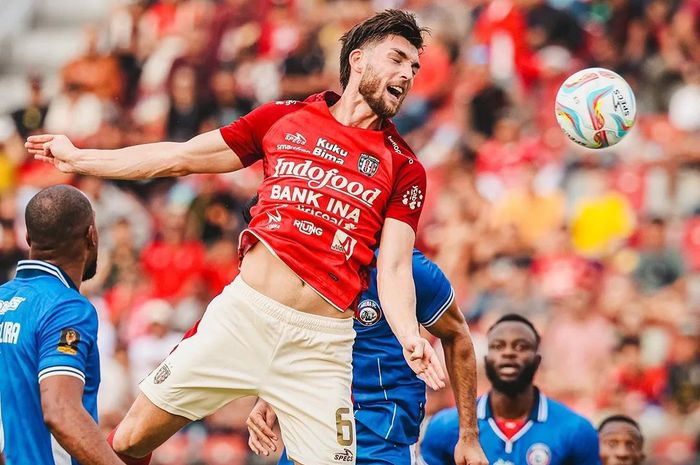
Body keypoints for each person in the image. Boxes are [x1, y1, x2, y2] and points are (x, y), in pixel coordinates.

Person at [26, 10, 444, 465]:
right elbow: (179, 157)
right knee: (128, 440)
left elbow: (396, 266)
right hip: (244, 316)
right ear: (358, 60)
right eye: (398, 59)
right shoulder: (283, 118)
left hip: (321, 346)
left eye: (414, 68)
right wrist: (80, 159)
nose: (407, 74)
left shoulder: (404, 167)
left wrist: (409, 335)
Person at [246, 245, 489, 465]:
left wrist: (468, 435)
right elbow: (298, 338)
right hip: (311, 429)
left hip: (381, 436)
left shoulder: (407, 268)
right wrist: (269, 397)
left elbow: (456, 335)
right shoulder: (305, 262)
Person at [0, 185, 124, 465]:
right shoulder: (67, 309)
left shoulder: (3, 297)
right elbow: (60, 411)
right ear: (91, 236)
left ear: (29, 237)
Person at [419, 314, 601, 465]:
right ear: (487, 360)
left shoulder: (575, 429)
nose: (509, 353)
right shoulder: (445, 426)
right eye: (498, 346)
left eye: (521, 346)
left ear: (537, 361)